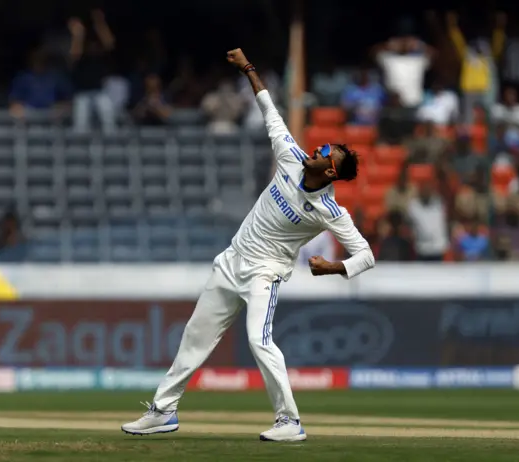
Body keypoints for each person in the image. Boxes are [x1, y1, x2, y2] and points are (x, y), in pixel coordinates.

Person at [121, 48, 375, 442]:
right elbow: (270, 112)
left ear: (329, 171)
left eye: (326, 152)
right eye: (323, 146)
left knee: (259, 339)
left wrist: (335, 268)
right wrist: (248, 69)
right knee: (194, 337)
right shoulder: (291, 158)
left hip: (264, 272)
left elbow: (366, 256)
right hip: (232, 261)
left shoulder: (329, 210)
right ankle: (163, 411)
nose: (318, 148)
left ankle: (289, 422)